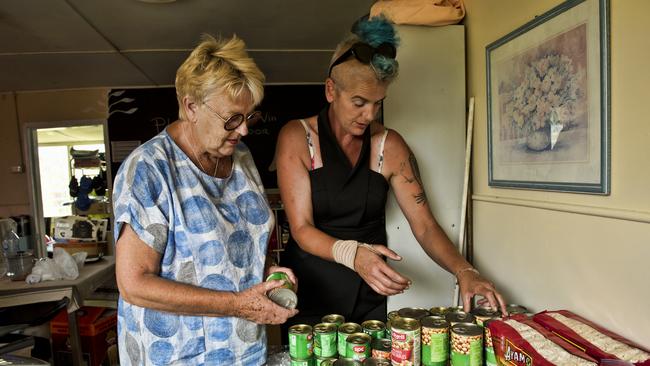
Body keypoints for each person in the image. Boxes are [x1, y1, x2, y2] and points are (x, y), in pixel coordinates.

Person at [276, 16, 507, 327]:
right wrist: (353, 254)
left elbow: (424, 226)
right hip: (312, 289)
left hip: (370, 288)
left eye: (377, 103)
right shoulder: (297, 138)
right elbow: (302, 229)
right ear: (331, 90)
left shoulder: (389, 145)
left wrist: (464, 270)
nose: (369, 114)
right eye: (359, 102)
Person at [113, 34, 298, 365]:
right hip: (178, 355)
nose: (242, 131)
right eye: (232, 118)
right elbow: (134, 284)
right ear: (191, 107)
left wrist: (268, 271)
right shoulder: (148, 169)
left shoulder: (241, 158)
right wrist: (237, 304)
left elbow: (237, 249)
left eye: (249, 117)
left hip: (242, 351)